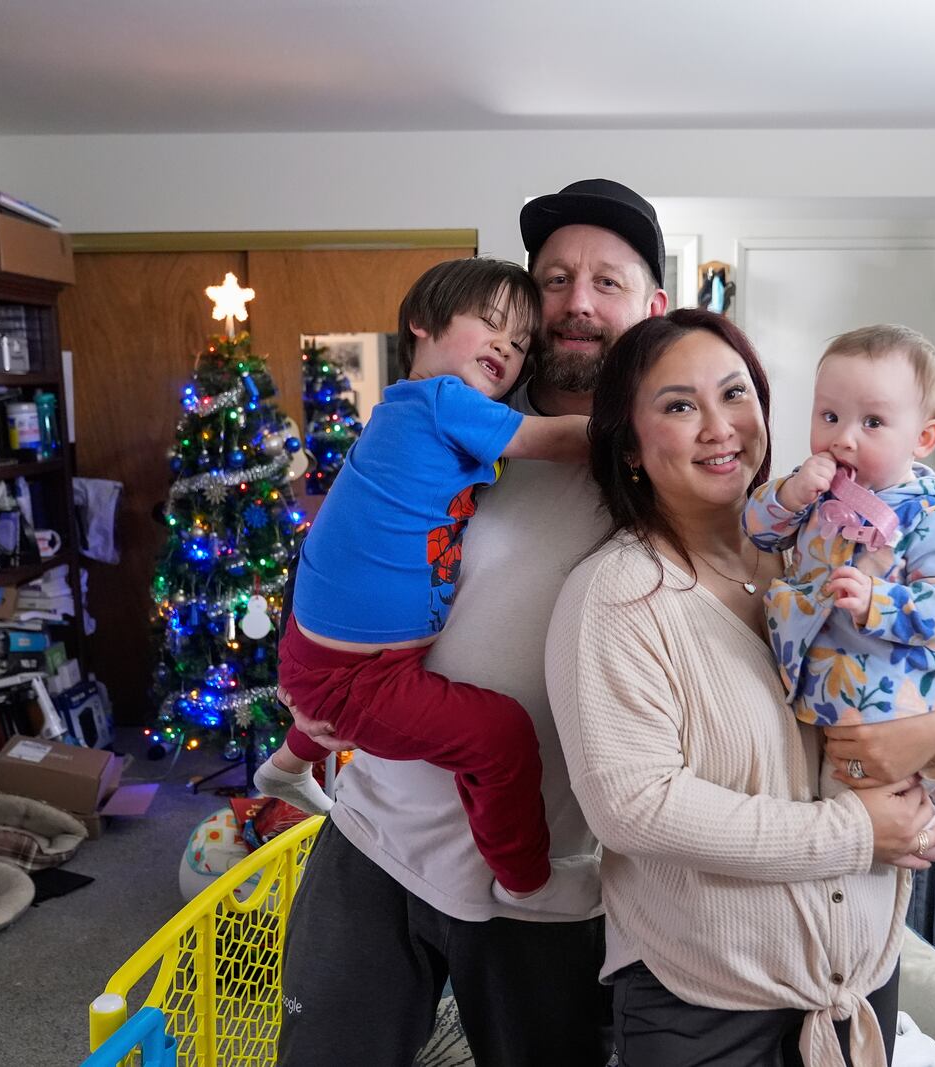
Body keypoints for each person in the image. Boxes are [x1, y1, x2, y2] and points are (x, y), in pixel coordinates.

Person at [275, 179, 668, 1067]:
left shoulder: (668, 469)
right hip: (373, 835)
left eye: (607, 281)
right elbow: (351, 557)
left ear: (652, 307)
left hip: (543, 884)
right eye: (556, 278)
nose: (576, 302)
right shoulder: (451, 423)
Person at [548, 310, 935, 1067]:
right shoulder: (615, 596)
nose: (719, 427)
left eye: (735, 394)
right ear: (629, 447)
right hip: (706, 1010)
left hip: (861, 987)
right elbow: (633, 807)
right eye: (678, 405)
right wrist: (856, 833)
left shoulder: (812, 547)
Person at [254, 256, 600, 914]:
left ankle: (287, 764)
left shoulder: (400, 412)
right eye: (492, 325)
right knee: (498, 736)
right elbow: (554, 439)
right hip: (359, 672)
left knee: (344, 704)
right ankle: (526, 881)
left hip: (329, 650)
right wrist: (651, 426)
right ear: (420, 323)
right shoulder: (446, 403)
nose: (508, 345)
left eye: (522, 343)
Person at [742, 326, 935, 882]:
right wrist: (788, 495)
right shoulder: (812, 492)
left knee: (856, 791)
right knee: (925, 769)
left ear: (923, 438)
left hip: (904, 679)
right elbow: (756, 532)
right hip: (837, 679)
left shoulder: (933, 515)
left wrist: (881, 601)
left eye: (872, 422)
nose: (843, 439)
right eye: (829, 416)